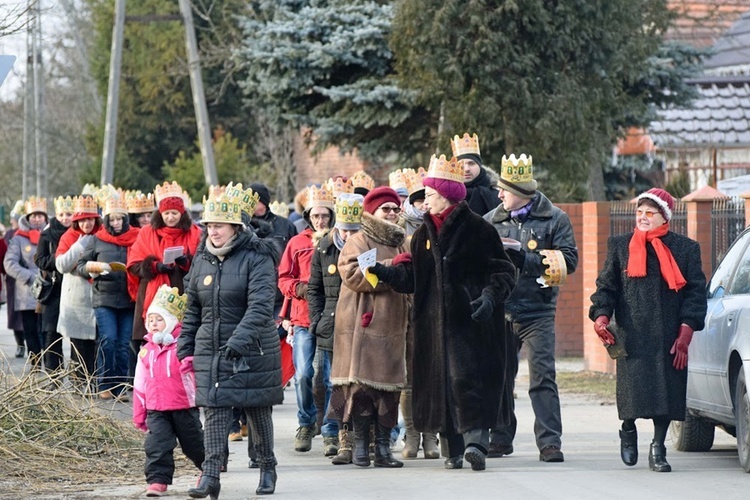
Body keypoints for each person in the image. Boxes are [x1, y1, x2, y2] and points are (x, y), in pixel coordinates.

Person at [369, 155, 517, 472]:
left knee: (471, 380)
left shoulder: (480, 229)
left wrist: (489, 298)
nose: (425, 202)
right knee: (443, 386)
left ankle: (477, 444)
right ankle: (453, 448)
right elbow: (414, 280)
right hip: (432, 326)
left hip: (473, 323)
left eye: (430, 195)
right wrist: (383, 272)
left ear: (446, 194)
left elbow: (503, 272)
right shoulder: (422, 235)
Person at [589, 188, 707, 472]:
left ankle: (658, 448)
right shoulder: (620, 246)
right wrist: (602, 316)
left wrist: (687, 329)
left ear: (663, 217)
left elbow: (695, 293)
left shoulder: (685, 248)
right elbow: (607, 288)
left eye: (649, 213)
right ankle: (627, 430)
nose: (642, 218)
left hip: (669, 335)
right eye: (639, 212)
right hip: (633, 333)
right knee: (632, 394)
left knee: (666, 395)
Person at [177, 190, 282, 497]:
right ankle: (210, 476)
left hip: (253, 350)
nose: (214, 231)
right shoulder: (203, 259)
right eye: (210, 226)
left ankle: (267, 466)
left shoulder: (258, 257)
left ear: (237, 227)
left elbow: (261, 306)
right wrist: (185, 345)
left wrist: (239, 340)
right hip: (212, 350)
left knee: (257, 413)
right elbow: (193, 307)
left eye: (220, 225)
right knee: (215, 413)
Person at [484, 154, 578, 463]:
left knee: (542, 377)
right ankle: (499, 437)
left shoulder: (555, 219)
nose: (499, 195)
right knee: (499, 376)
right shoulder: (490, 220)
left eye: (504, 190)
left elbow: (569, 261)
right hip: (502, 310)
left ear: (522, 192)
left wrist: (526, 258)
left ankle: (550, 442)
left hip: (538, 310)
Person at [330, 186, 410, 469]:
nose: (391, 213)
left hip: (394, 324)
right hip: (363, 322)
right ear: (372, 212)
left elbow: (410, 275)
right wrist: (391, 265)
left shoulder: (402, 240)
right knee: (362, 390)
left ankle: (384, 450)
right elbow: (352, 274)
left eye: (394, 208)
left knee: (389, 391)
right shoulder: (359, 240)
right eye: (384, 208)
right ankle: (361, 448)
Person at [278, 184, 335, 453]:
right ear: (308, 216)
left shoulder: (337, 240)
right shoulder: (297, 242)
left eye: (325, 215)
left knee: (327, 378)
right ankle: (306, 421)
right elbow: (283, 278)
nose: (320, 220)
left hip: (330, 317)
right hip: (302, 317)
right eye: (315, 216)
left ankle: (330, 427)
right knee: (303, 374)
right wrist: (299, 289)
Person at [308, 192, 364, 464]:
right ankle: (344, 440)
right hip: (331, 323)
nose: (349, 235)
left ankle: (367, 439)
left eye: (354, 230)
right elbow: (314, 289)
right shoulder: (323, 248)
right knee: (334, 383)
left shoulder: (367, 246)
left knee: (361, 384)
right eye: (345, 229)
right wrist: (316, 319)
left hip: (362, 322)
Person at [133, 284, 205, 497]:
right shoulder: (146, 352)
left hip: (183, 405)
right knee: (157, 445)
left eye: (159, 319)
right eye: (151, 320)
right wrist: (140, 413)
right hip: (156, 408)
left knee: (193, 444)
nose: (154, 324)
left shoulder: (183, 346)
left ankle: (208, 468)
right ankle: (157, 480)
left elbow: (197, 371)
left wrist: (192, 363)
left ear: (172, 322)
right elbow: (139, 383)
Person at [127, 181, 202, 354]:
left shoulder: (194, 232)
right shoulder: (146, 232)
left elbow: (202, 264)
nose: (170, 218)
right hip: (151, 292)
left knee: (179, 341)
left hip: (182, 291)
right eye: (166, 213)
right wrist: (154, 266)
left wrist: (186, 262)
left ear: (182, 213)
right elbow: (133, 264)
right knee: (149, 345)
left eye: (174, 213)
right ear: (160, 214)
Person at [78, 192, 140, 400]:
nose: (116, 223)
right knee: (108, 340)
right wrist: (94, 269)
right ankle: (104, 383)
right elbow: (81, 266)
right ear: (106, 220)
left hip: (128, 297)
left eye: (119, 218)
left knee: (124, 344)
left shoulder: (136, 236)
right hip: (104, 298)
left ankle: (120, 386)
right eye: (112, 219)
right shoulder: (97, 239)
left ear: (125, 219)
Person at [56, 195, 101, 390]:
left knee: (95, 345)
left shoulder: (102, 235)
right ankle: (78, 383)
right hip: (76, 299)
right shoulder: (68, 237)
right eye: (82, 220)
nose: (86, 223)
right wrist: (78, 246)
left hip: (98, 297)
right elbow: (61, 265)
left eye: (90, 219)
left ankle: (94, 382)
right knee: (78, 345)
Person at [4, 196, 48, 364]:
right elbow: (9, 263)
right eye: (33, 216)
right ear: (28, 218)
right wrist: (31, 275)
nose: (37, 220)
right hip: (27, 291)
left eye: (40, 216)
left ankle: (51, 366)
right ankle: (36, 366)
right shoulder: (18, 238)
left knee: (47, 331)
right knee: (30, 331)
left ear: (45, 217)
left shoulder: (51, 234)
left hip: (49, 291)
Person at [35, 195, 74, 371]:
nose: (66, 218)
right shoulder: (47, 234)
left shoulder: (80, 233)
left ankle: (78, 376)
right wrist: (59, 260)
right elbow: (40, 260)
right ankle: (54, 374)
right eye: (62, 214)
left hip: (75, 287)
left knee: (77, 335)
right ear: (56, 215)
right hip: (54, 289)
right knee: (51, 333)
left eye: (69, 214)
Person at [451, 133, 500, 216]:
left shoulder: (498, 195)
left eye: (471, 163)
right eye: (461, 165)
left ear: (479, 166)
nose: (466, 169)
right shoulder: (448, 198)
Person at [4, 201, 26, 358]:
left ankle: (32, 346)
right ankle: (20, 344)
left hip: (28, 280)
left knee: (30, 317)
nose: (12, 221)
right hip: (13, 280)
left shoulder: (30, 233)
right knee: (14, 315)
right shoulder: (9, 235)